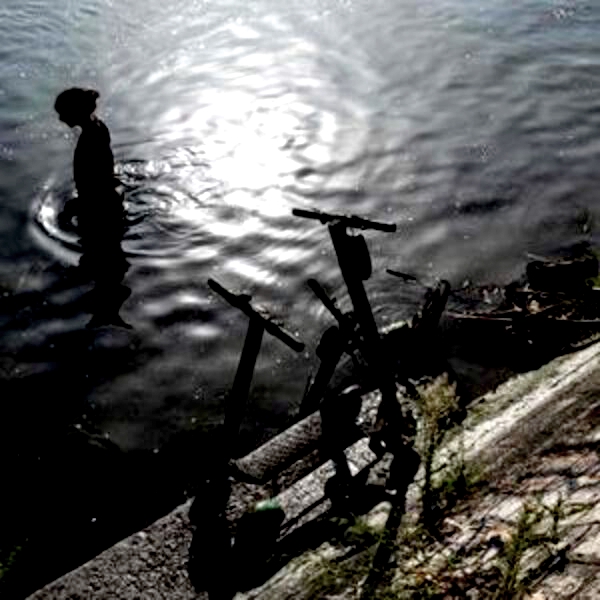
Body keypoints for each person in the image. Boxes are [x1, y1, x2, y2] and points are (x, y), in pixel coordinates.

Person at [54, 87, 123, 240]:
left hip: (100, 209)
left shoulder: (89, 142)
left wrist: (80, 205)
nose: (60, 118)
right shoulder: (98, 126)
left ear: (76, 112)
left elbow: (96, 184)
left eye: (62, 113)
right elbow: (103, 168)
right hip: (108, 200)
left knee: (96, 246)